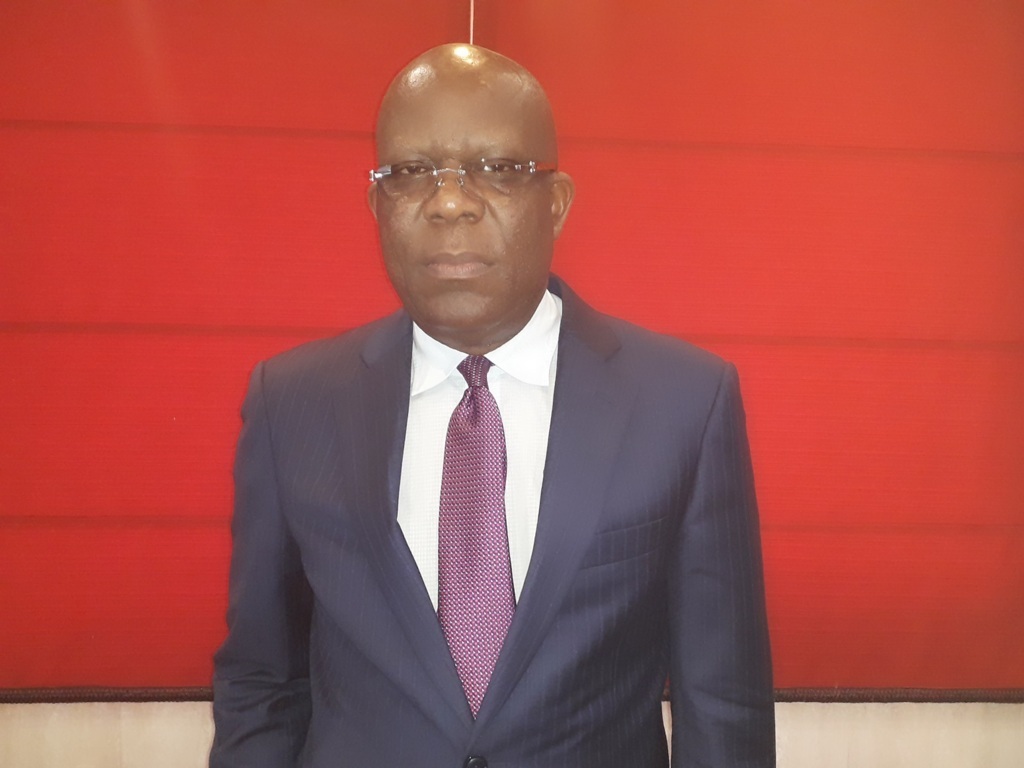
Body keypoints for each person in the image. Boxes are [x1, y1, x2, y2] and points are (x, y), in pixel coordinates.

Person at [210, 43, 774, 768]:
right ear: (378, 205)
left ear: (556, 203)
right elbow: (262, 681)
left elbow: (723, 705)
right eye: (412, 173)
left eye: (498, 168)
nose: (450, 202)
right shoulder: (293, 403)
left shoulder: (684, 403)